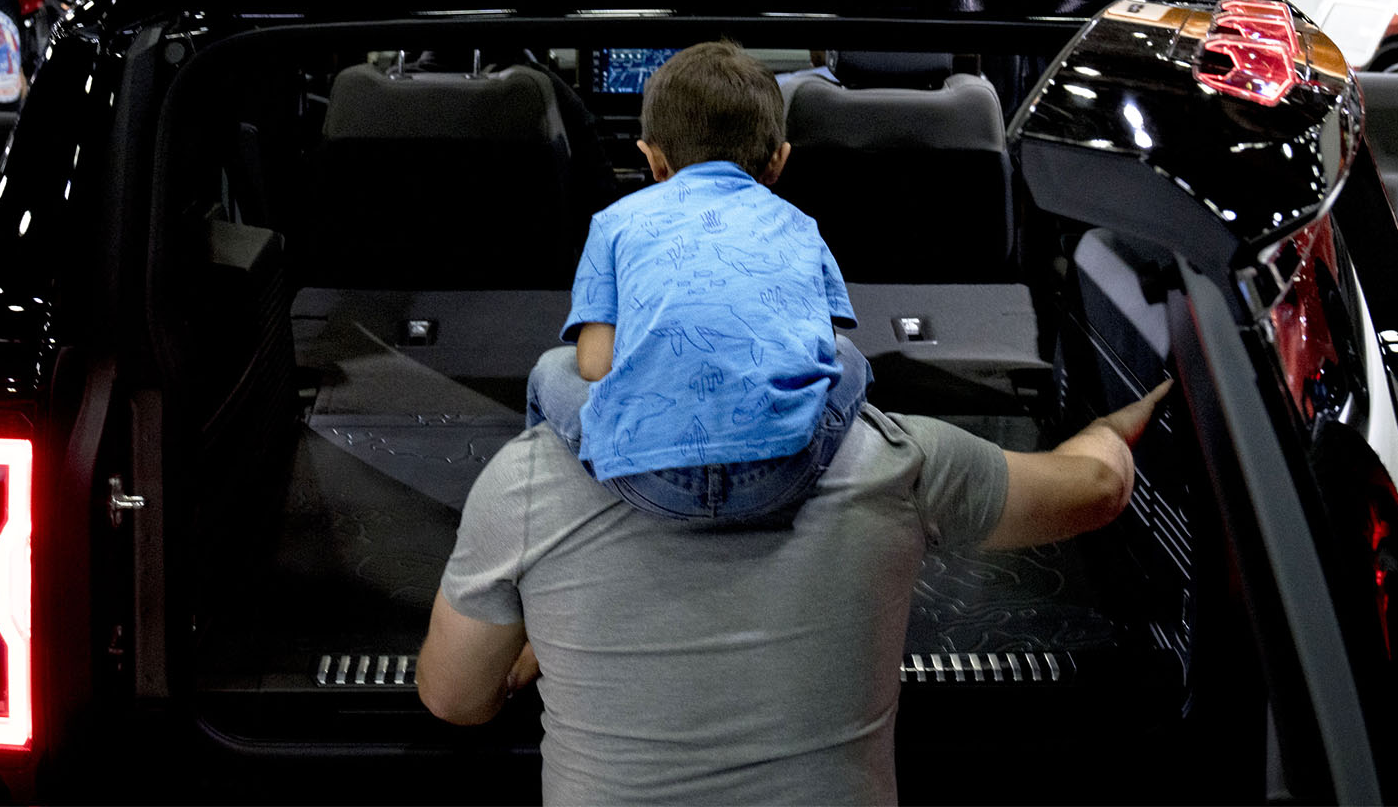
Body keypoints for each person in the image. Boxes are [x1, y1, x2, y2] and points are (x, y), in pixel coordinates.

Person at [419, 369, 1171, 802]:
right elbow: (1097, 489)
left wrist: (546, 640)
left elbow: (456, 700)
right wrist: (1121, 417)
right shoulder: (893, 458)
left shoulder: (528, 479)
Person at [523, 41, 872, 526]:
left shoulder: (614, 222)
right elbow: (816, 343)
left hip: (649, 481)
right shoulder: (800, 225)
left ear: (654, 160)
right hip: (779, 475)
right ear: (779, 161)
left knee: (549, 369)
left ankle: (546, 512)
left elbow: (596, 365)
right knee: (850, 357)